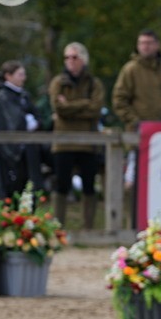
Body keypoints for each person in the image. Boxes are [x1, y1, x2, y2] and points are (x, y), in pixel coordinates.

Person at [112, 30, 161, 219]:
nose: (145, 46)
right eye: (142, 42)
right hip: (139, 138)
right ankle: (133, 222)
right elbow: (119, 100)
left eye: (149, 42)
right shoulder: (131, 70)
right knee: (134, 183)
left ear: (157, 45)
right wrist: (136, 123)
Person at [49, 42, 105, 229]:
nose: (70, 61)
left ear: (83, 59)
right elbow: (58, 108)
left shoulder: (93, 83)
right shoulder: (58, 82)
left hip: (88, 143)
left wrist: (70, 106)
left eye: (74, 57)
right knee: (61, 185)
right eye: (67, 57)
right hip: (63, 142)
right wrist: (84, 104)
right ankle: (58, 228)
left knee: (89, 186)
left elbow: (96, 109)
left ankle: (87, 227)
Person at [0, 60, 46, 200]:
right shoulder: (3, 95)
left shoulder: (23, 95)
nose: (24, 78)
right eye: (20, 74)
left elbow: (37, 117)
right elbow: (15, 121)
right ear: (8, 76)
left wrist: (33, 121)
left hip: (26, 149)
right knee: (10, 190)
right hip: (9, 151)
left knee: (27, 189)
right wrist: (28, 121)